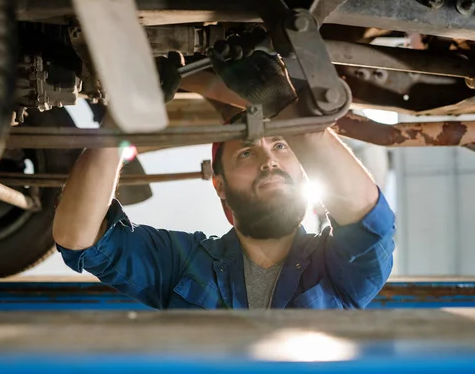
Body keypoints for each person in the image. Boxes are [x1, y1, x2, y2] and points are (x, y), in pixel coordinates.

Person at [52, 34, 395, 309]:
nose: (269, 160)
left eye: (280, 146)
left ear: (305, 171)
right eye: (246, 152)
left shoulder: (339, 269)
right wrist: (121, 121)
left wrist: (287, 110)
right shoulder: (183, 263)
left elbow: (369, 219)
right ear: (220, 185)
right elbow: (81, 238)